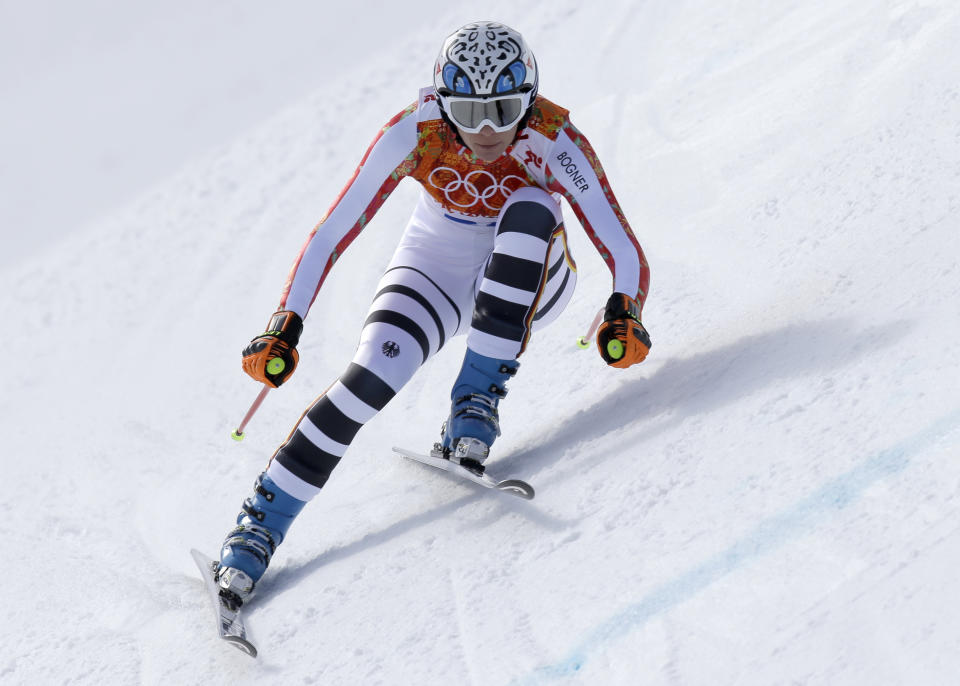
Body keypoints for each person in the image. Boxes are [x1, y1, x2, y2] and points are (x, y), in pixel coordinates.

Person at [215, 21, 652, 608]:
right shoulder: (413, 132)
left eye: (505, 109)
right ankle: (261, 524)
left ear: (532, 99)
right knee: (368, 379)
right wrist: (285, 323)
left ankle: (475, 401)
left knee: (531, 204)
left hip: (533, 276)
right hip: (435, 267)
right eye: (470, 115)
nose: (490, 130)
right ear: (443, 107)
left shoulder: (553, 137)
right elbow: (332, 232)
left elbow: (620, 242)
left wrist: (624, 310)